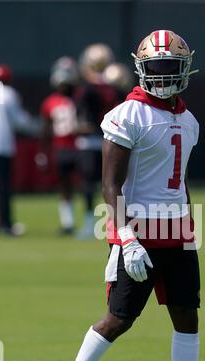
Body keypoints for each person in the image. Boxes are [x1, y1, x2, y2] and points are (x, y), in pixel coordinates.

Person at [52, 30, 205, 361]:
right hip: (138, 230)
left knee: (187, 318)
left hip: (177, 229)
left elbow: (179, 183)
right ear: (142, 69)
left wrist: (189, 228)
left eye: (169, 68)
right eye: (155, 68)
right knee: (119, 319)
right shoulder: (127, 114)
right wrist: (124, 236)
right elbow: (111, 185)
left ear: (185, 69)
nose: (162, 76)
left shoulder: (189, 118)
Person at [74, 43, 119, 239]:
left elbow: (81, 117)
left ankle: (89, 223)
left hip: (90, 140)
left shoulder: (87, 89)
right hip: (112, 138)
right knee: (113, 182)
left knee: (89, 184)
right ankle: (114, 222)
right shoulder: (113, 87)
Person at [40, 57, 80, 235]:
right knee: (64, 187)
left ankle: (91, 219)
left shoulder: (81, 97)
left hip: (80, 147)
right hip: (62, 147)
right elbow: (46, 129)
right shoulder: (50, 102)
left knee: (89, 185)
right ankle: (68, 222)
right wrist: (42, 153)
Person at [0, 64, 38, 236]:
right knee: (4, 187)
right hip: (3, 147)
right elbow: (19, 121)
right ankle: (6, 224)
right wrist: (36, 126)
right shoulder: (9, 94)